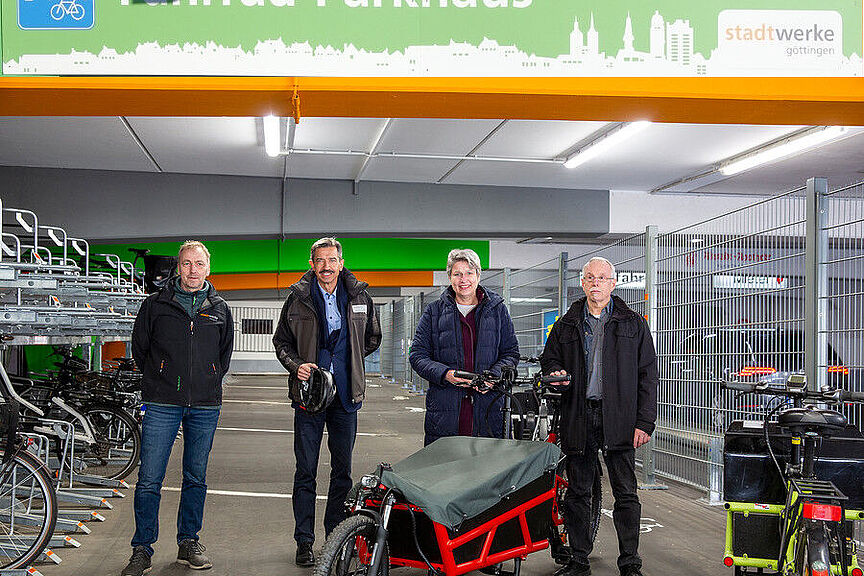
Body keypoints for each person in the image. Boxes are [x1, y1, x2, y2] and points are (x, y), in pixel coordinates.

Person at [540, 256, 658, 576]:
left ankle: (630, 563)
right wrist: (556, 372)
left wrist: (644, 422)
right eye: (590, 277)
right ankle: (579, 561)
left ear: (613, 283)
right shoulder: (567, 323)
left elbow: (648, 376)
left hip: (619, 419)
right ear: (582, 283)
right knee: (578, 492)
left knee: (626, 493)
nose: (596, 283)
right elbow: (549, 359)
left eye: (602, 278)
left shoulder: (633, 324)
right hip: (579, 415)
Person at [123, 241, 234, 576]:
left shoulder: (219, 308)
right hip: (162, 402)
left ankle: (188, 543)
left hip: (204, 405)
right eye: (186, 263)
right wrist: (159, 377)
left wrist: (208, 378)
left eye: (199, 264)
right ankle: (142, 549)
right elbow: (140, 349)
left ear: (208, 268)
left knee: (195, 477)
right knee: (149, 479)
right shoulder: (155, 305)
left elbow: (223, 355)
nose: (192, 270)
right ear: (178, 267)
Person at [272, 237, 381, 567]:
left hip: (346, 397)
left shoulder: (360, 296)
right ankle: (304, 541)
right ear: (312, 264)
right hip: (309, 396)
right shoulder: (298, 298)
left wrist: (348, 360)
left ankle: (335, 537)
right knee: (305, 470)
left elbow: (372, 337)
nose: (327, 266)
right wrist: (297, 366)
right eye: (320, 260)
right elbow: (281, 343)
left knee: (342, 472)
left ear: (341, 262)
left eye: (332, 260)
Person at [410, 248, 520, 446]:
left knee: (488, 460)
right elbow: (417, 356)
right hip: (446, 408)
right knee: (447, 460)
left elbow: (511, 353)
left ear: (478, 275)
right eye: (457, 274)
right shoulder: (434, 312)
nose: (464, 279)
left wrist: (493, 377)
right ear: (450, 277)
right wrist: (445, 374)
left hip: (489, 406)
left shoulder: (497, 310)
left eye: (469, 273)